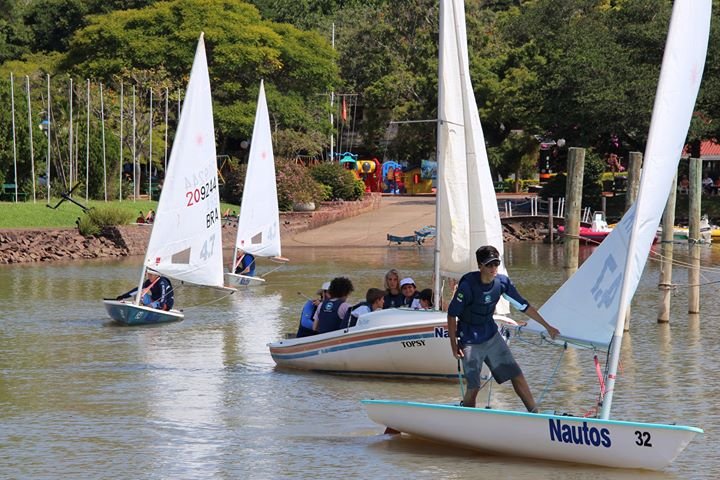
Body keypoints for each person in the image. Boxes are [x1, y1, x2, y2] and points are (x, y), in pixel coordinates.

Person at [447, 245, 559, 412]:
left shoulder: (502, 283)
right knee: (474, 385)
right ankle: (468, 418)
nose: (493, 268)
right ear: (480, 266)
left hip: (491, 336)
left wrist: (548, 326)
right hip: (469, 339)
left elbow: (523, 306)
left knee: (516, 374)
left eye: (496, 264)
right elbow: (451, 314)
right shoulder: (468, 286)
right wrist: (454, 346)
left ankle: (535, 413)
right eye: (489, 265)